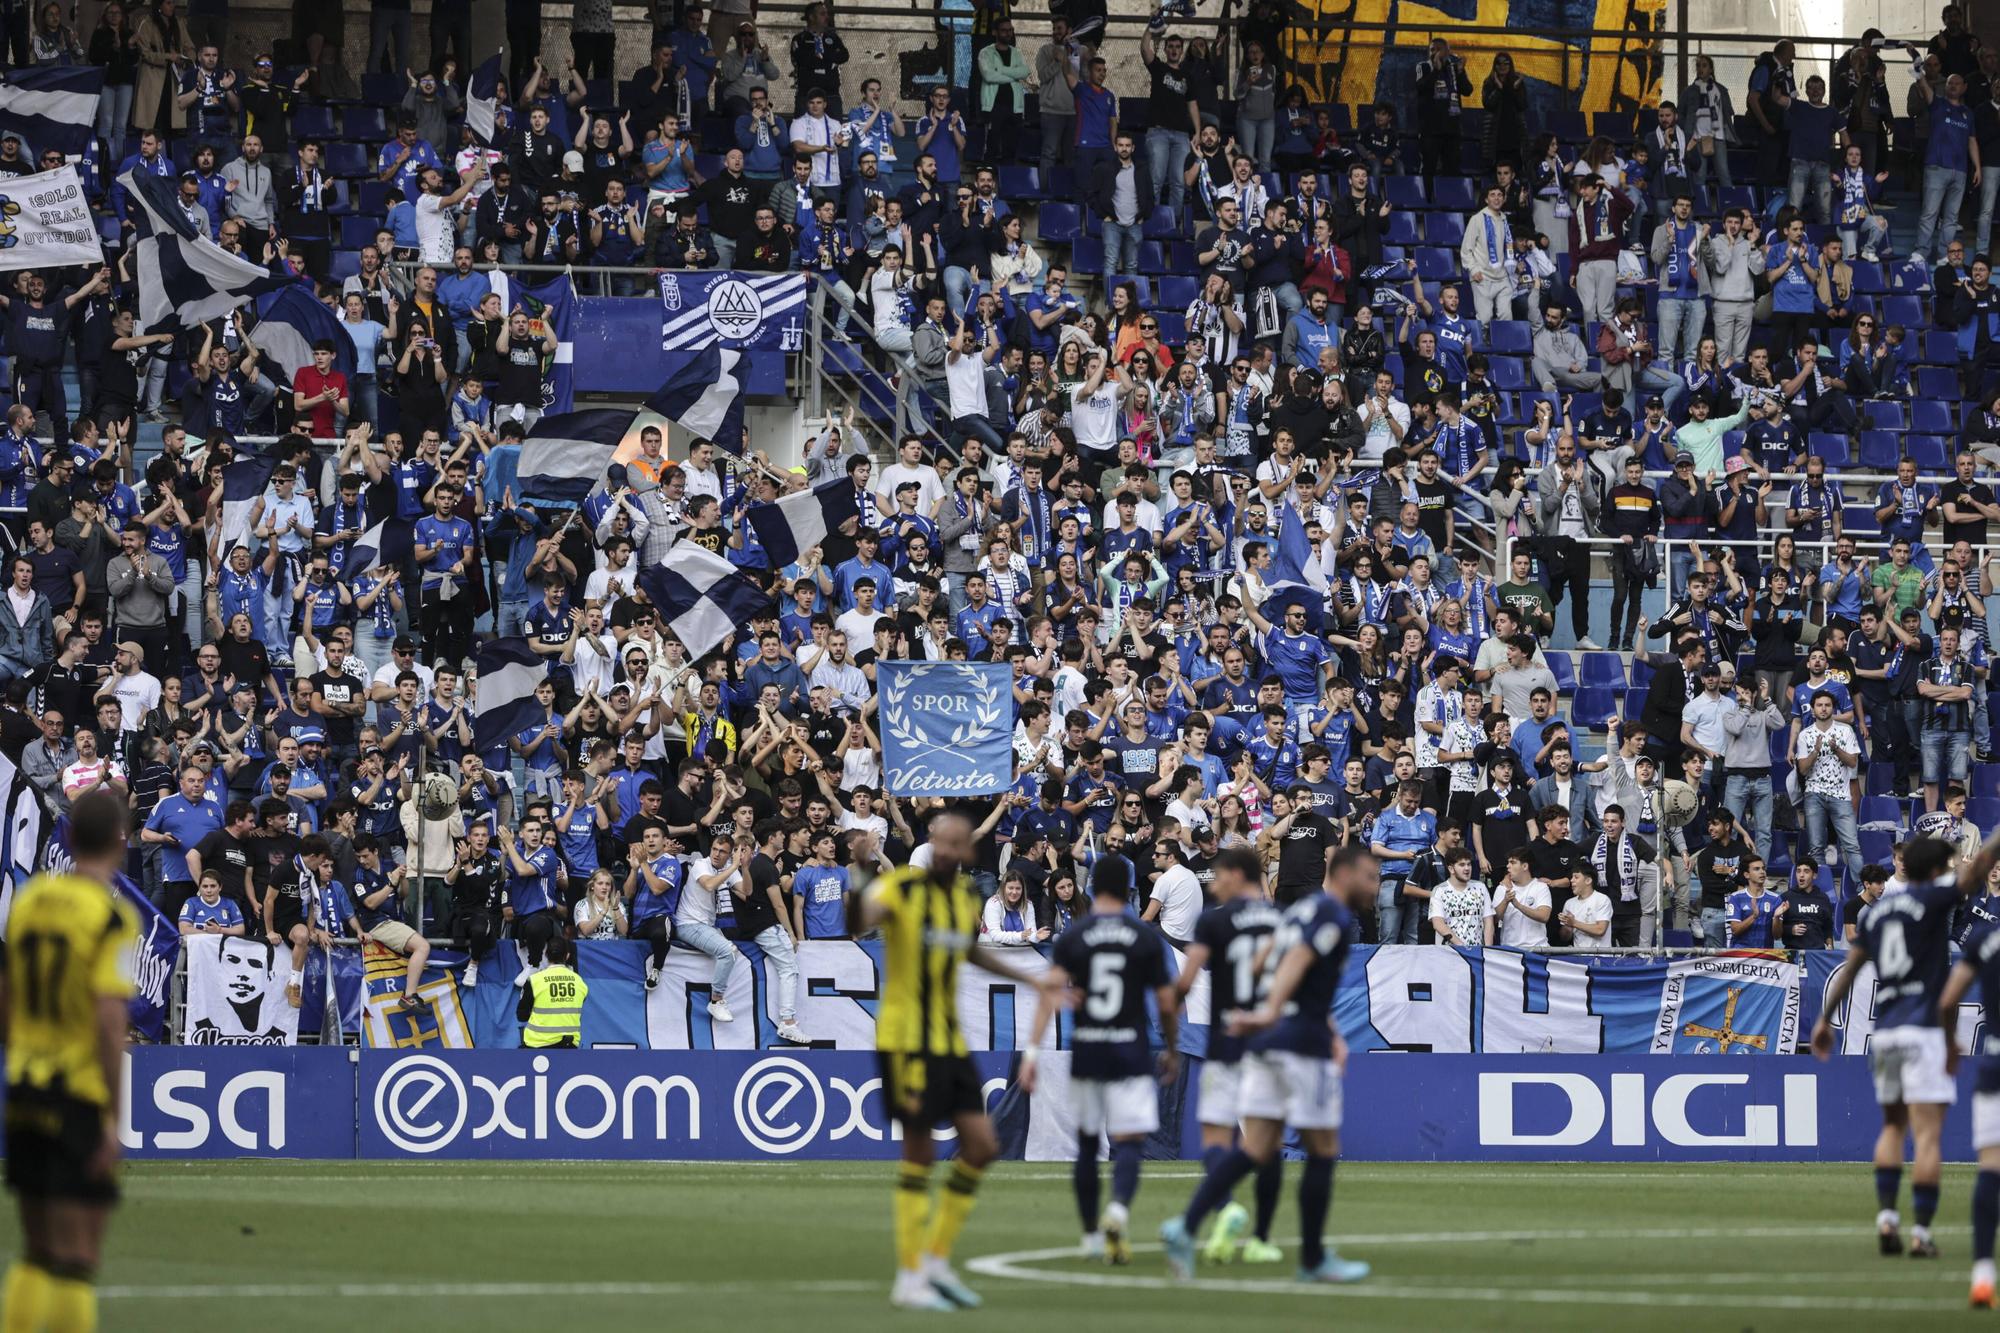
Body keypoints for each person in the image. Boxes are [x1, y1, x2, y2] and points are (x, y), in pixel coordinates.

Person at [853, 808, 1055, 1311]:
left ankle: (936, 1259)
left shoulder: (963, 898)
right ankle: (911, 1274)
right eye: (940, 842)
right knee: (919, 1152)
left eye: (956, 844)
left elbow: (967, 951)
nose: (947, 851)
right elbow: (857, 925)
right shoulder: (900, 887)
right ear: (930, 843)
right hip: (907, 1039)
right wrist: (858, 874)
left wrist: (1032, 978)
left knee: (983, 1145)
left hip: (949, 1038)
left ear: (966, 851)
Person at [1161, 844, 1376, 1285]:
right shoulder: (1329, 916)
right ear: (1346, 874)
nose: (1374, 886)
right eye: (1370, 876)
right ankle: (1312, 1256)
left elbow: (1266, 961)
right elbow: (1294, 961)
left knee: (1256, 1148)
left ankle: (1185, 1226)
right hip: (1300, 1043)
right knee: (1322, 1149)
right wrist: (1271, 1009)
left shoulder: (1300, 911)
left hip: (1264, 1046)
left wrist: (1262, 1007)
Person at [1813, 831, 2000, 1260]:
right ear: (1936, 871)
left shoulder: (1877, 914)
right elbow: (1982, 861)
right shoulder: (1935, 901)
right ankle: (1920, 1233)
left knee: (1892, 1127)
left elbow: (1850, 968)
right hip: (1925, 1031)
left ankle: (1885, 1220)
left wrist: (1825, 1020)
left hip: (1889, 1032)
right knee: (1928, 1134)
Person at [1, 791, 134, 1333]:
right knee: (78, 1259)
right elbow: (108, 1020)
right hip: (75, 1090)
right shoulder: (110, 916)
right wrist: (111, 1115)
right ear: (121, 845)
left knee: (35, 1253)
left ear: (70, 839)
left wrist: (24, 1050)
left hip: (25, 1084)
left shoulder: (29, 901)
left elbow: (6, 993)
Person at [1021, 855, 1178, 1265]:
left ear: (1093, 887)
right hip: (1130, 1047)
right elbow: (1165, 1001)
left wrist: (1032, 1052)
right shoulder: (1143, 935)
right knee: (1128, 1141)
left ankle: (1090, 1234)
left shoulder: (1076, 934)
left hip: (1089, 1049)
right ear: (1128, 888)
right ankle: (1118, 1212)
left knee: (1089, 1145)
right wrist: (1173, 1047)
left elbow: (1050, 992)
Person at [1170, 846, 1285, 1264]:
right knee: (1265, 1143)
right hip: (1269, 1045)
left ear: (1239, 875)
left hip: (1225, 1044)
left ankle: (1224, 1209)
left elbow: (1184, 984)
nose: (1213, 881)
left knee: (1216, 1137)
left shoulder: (1213, 920)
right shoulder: (1281, 920)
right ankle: (1261, 1239)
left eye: (1219, 874)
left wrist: (1170, 1019)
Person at [515, 933, 588, 1048]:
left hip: (537, 1047)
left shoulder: (534, 980)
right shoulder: (580, 982)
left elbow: (522, 1015)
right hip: (569, 1047)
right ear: (567, 956)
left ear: (545, 955)